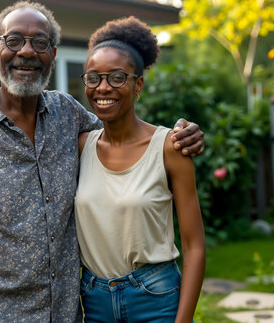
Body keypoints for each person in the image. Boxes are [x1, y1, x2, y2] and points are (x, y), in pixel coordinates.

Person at [0, 0, 205, 322]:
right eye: (14, 40)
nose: (27, 51)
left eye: (40, 42)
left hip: (67, 314)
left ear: (52, 56)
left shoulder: (68, 116)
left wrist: (182, 135)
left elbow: (124, 136)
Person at [75, 16, 206, 323]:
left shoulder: (170, 147)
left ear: (138, 85)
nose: (103, 87)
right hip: (94, 301)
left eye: (117, 77)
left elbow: (195, 245)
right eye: (93, 78)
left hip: (155, 298)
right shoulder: (79, 147)